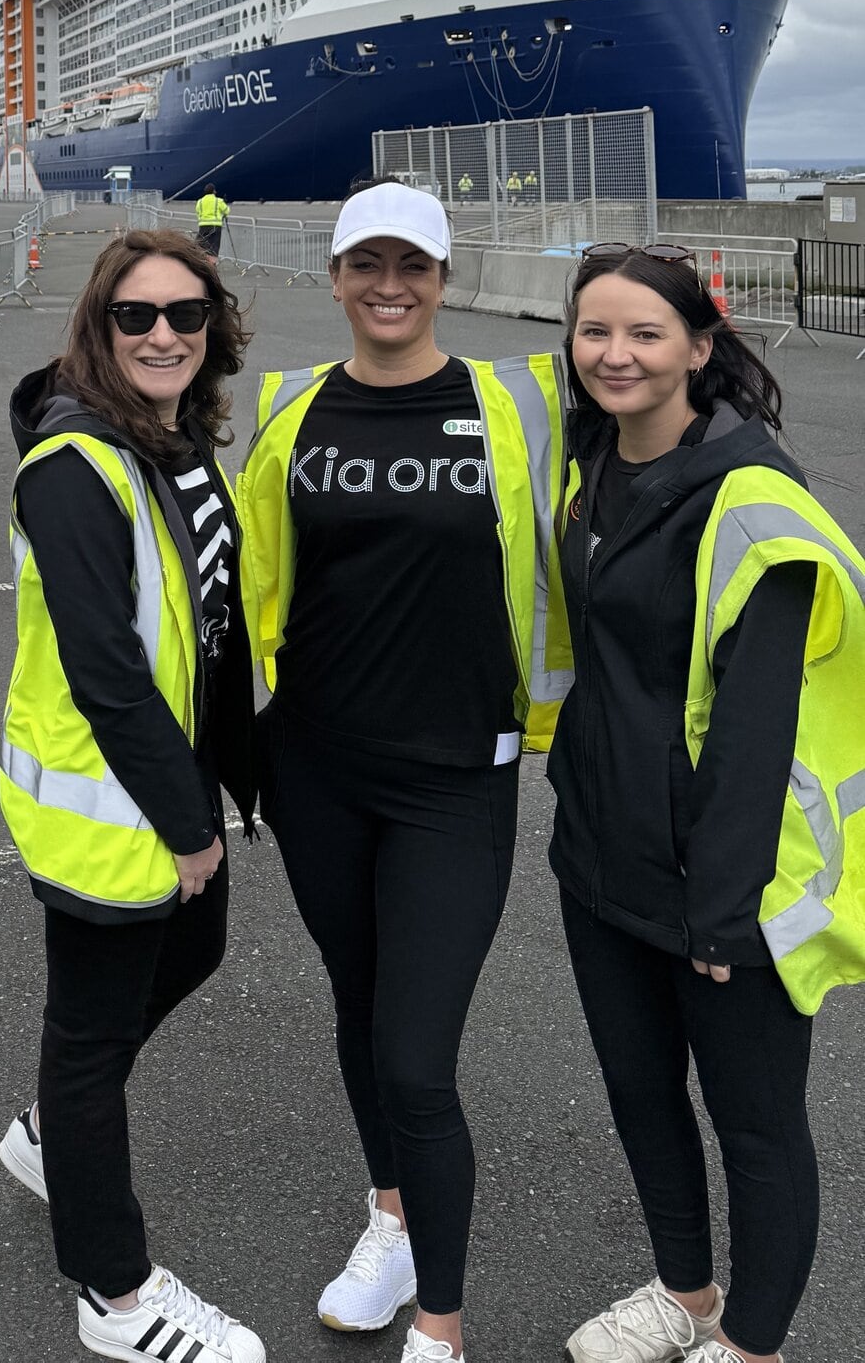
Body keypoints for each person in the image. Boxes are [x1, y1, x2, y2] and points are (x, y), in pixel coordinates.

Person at [238, 179, 569, 1363]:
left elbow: (649, 426)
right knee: (358, 1006)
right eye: (366, 263)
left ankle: (441, 1323)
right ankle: (387, 1215)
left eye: (412, 265)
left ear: (443, 276)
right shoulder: (288, 408)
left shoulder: (518, 399)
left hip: (454, 778)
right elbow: (243, 587)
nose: (389, 285)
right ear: (332, 277)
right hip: (317, 767)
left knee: (417, 1056)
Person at [551, 244, 864, 1363]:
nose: (615, 353)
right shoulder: (592, 455)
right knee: (641, 1091)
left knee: (758, 1126)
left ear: (698, 344)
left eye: (643, 332)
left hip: (725, 879)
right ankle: (683, 1290)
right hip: (598, 850)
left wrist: (726, 910)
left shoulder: (751, 496)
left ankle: (752, 1342)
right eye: (595, 330)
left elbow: (757, 723)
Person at [0, 228, 266, 1363]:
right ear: (99, 328)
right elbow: (107, 662)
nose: (163, 334)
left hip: (172, 772)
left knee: (193, 950)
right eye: (136, 316)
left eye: (186, 315)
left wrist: (241, 777)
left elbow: (207, 624)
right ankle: (113, 1293)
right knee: (92, 1032)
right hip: (111, 798)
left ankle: (52, 1125)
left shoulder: (174, 441)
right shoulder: (74, 465)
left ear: (214, 330)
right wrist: (185, 819)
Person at [194, 184, 231, 257]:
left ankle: (201, 261)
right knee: (214, 247)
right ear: (214, 191)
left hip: (203, 226)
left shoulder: (200, 201)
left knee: (201, 245)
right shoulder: (218, 201)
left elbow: (198, 212)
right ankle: (212, 264)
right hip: (215, 226)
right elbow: (227, 211)